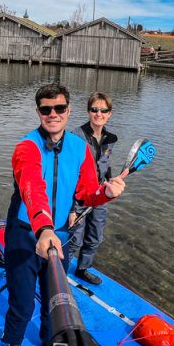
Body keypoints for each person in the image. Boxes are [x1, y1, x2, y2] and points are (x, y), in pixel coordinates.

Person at [2, 83, 126, 346]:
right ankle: (14, 345)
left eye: (59, 108)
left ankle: (49, 340)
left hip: (61, 234)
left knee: (54, 297)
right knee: (22, 300)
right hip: (26, 232)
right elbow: (33, 187)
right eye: (46, 109)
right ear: (38, 112)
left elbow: (85, 193)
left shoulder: (79, 147)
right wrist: (43, 228)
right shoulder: (26, 147)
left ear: (68, 111)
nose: (53, 114)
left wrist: (105, 192)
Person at [68, 92, 117, 286]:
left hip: (99, 195)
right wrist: (72, 208)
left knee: (95, 235)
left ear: (109, 114)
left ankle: (82, 269)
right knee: (74, 240)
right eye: (94, 109)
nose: (99, 114)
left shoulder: (110, 138)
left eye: (103, 110)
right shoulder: (75, 137)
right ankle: (57, 273)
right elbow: (70, 175)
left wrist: (111, 181)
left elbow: (105, 163)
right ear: (88, 112)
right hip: (79, 196)